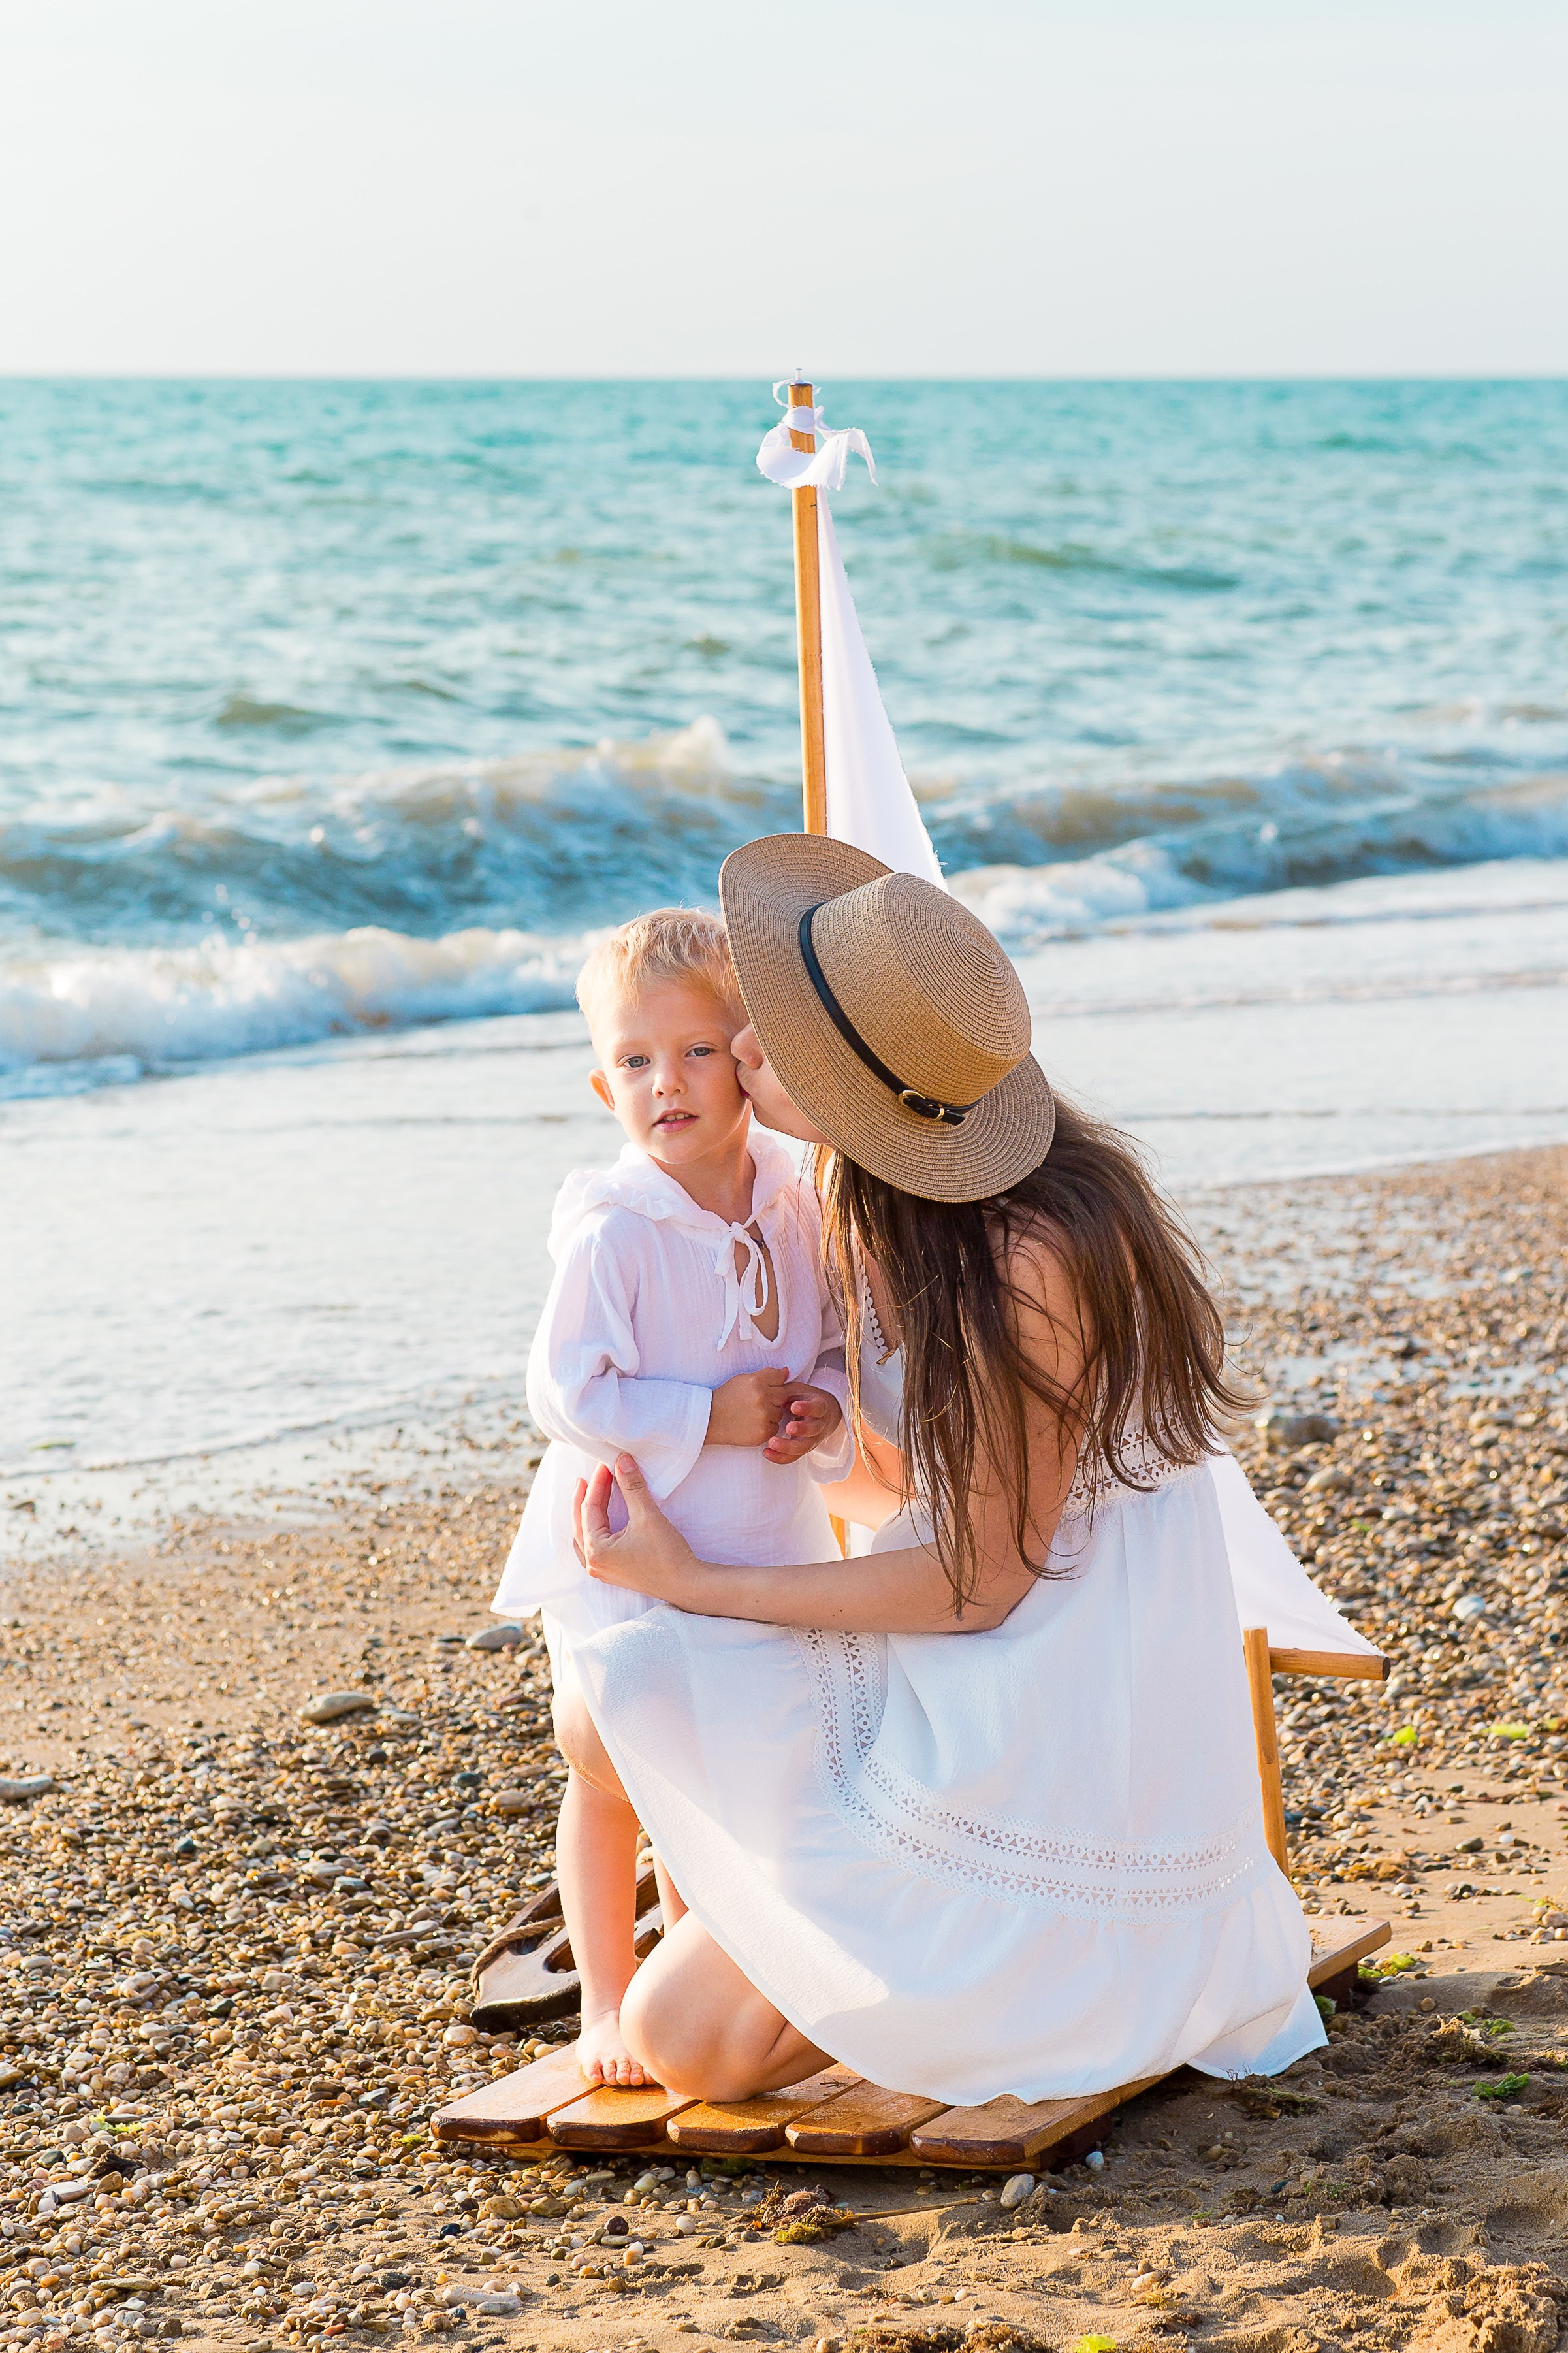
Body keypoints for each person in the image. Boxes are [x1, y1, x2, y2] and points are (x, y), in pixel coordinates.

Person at [555, 837, 1358, 2109]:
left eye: (768, 1035)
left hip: (1050, 1703)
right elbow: (906, 1484)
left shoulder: (1027, 1249)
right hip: (973, 1630)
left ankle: (957, 1967)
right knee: (607, 1701)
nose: (736, 1041)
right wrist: (796, 1434)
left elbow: (983, 1578)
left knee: (688, 2041)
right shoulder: (855, 1190)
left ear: (855, 1085)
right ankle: (840, 1939)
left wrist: (701, 1580)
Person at [492, 906, 849, 2087]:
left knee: (728, 1757)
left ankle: (707, 1957)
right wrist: (711, 1416)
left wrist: (823, 1405)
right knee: (616, 1770)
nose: (667, 1083)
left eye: (697, 1051)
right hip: (630, 1537)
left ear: (751, 1058)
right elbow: (567, 1390)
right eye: (636, 1062)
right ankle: (605, 1995)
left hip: (756, 1532)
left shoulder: (795, 1197)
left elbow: (838, 1335)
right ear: (604, 1087)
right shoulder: (616, 1226)